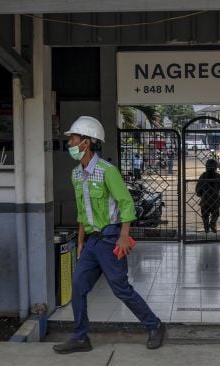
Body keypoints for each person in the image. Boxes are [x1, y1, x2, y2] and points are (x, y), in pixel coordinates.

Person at [53, 116, 165, 354]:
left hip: (111, 238)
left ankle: (154, 325)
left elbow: (126, 205)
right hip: (91, 241)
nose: (69, 143)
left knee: (120, 288)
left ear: (86, 142)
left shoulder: (107, 171)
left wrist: (124, 236)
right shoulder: (76, 174)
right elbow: (82, 210)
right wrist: (81, 241)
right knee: (78, 286)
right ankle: (80, 337)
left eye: (73, 138)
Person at [195, 159, 220, 233]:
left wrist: (199, 193)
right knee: (215, 214)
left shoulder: (203, 175)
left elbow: (199, 186)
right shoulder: (217, 175)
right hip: (215, 199)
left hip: (205, 199)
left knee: (205, 214)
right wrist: (217, 189)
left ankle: (206, 226)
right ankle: (212, 224)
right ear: (215, 167)